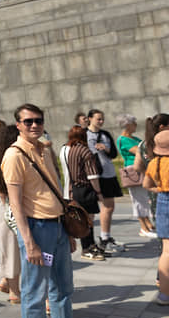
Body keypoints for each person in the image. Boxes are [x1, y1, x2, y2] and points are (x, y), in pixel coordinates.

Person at [2, 103, 76, 318]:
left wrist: (68, 231)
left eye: (39, 120)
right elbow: (15, 204)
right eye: (28, 121)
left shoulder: (44, 149)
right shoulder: (14, 155)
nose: (34, 125)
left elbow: (54, 192)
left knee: (63, 291)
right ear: (18, 125)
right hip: (37, 229)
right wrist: (29, 242)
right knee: (35, 296)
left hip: (57, 227)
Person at [0, 123, 22, 302]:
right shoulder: (8, 156)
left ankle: (7, 282)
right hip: (5, 203)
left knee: (7, 246)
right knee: (11, 247)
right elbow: (3, 190)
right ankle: (15, 291)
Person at [64, 126, 106, 261]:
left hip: (75, 188)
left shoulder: (71, 150)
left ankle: (90, 245)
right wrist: (98, 192)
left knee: (83, 218)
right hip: (86, 189)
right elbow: (92, 176)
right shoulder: (85, 151)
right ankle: (88, 247)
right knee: (88, 220)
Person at [87, 109, 124, 253]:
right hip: (94, 175)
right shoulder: (85, 134)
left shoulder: (105, 134)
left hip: (108, 174)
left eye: (102, 119)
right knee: (96, 209)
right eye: (98, 119)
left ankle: (105, 236)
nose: (101, 122)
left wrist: (106, 148)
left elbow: (114, 154)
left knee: (109, 206)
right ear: (90, 119)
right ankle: (95, 241)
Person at [116, 114, 157, 237]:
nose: (136, 125)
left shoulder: (134, 138)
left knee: (144, 198)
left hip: (143, 169)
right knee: (138, 199)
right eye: (133, 123)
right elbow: (139, 150)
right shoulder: (123, 139)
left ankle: (148, 223)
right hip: (133, 171)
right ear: (128, 125)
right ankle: (143, 227)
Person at [143, 130, 169, 306]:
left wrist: (159, 190)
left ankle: (164, 294)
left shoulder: (154, 163)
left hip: (162, 202)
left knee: (166, 251)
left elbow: (146, 185)